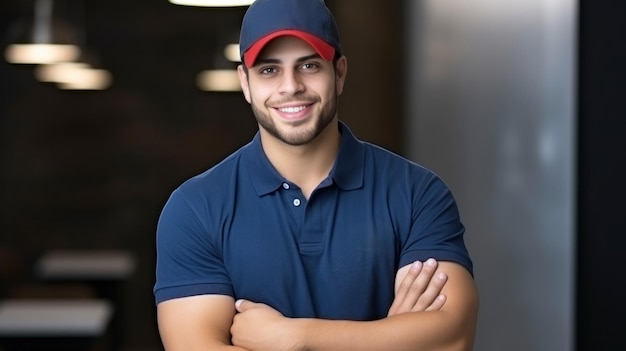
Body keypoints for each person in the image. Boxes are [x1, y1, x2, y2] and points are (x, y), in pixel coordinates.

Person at [154, 0, 479, 350]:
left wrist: (295, 338)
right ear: (245, 83)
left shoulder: (417, 194)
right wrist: (388, 339)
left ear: (339, 73)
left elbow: (450, 340)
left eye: (308, 65)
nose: (290, 86)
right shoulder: (195, 208)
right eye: (269, 70)